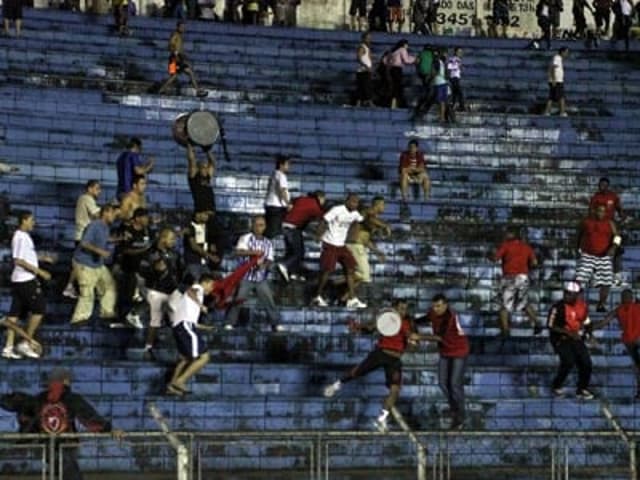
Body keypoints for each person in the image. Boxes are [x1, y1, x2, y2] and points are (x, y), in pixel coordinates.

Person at [323, 299, 433, 432]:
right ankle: (337, 385)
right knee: (357, 372)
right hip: (380, 353)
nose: (402, 312)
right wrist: (358, 327)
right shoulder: (386, 318)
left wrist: (413, 344)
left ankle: (381, 419)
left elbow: (414, 343)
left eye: (405, 309)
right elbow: (371, 328)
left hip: (395, 359)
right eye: (400, 308)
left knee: (395, 390)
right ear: (394, 308)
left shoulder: (409, 323)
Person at [0, 368, 124, 480]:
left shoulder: (40, 399)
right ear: (66, 381)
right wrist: (110, 429)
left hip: (48, 445)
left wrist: (25, 434)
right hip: (66, 444)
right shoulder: (71, 399)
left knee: (60, 472)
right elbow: (90, 417)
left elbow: (26, 415)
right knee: (70, 474)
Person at [2, 212, 53, 359]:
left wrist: (43, 258)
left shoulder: (24, 237)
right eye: (31, 220)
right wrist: (41, 272)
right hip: (25, 280)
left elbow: (27, 256)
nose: (33, 223)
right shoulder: (19, 237)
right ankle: (26, 342)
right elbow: (18, 260)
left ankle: (8, 347)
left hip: (20, 280)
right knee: (39, 309)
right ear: (23, 221)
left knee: (14, 315)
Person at [419, 293, 469, 430]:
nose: (436, 309)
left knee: (454, 384)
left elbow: (440, 337)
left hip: (459, 351)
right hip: (445, 352)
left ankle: (461, 416)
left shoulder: (450, 317)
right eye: (434, 306)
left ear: (446, 305)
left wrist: (419, 336)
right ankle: (456, 410)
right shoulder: (433, 313)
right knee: (442, 383)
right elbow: (424, 319)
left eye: (439, 306)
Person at [225, 216, 280, 331]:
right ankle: (230, 322)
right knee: (238, 299)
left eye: (261, 225)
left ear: (264, 227)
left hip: (261, 277)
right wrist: (253, 253)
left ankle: (275, 323)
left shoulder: (268, 243)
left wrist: (263, 266)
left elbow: (269, 259)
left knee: (269, 300)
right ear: (252, 226)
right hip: (245, 276)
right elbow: (238, 252)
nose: (258, 228)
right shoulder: (245, 238)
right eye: (256, 225)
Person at [312, 193, 367, 309]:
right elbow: (324, 221)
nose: (354, 204)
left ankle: (352, 298)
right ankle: (317, 296)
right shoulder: (337, 210)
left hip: (341, 245)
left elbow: (361, 220)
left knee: (350, 268)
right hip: (330, 243)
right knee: (327, 271)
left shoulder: (355, 213)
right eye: (352, 201)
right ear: (346, 201)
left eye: (356, 202)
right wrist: (318, 235)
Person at [167, 274, 215, 395]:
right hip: (185, 326)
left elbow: (192, 321)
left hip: (180, 326)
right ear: (205, 282)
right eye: (212, 285)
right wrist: (201, 305)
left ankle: (171, 386)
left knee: (185, 358)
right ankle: (180, 381)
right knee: (204, 357)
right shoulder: (198, 288)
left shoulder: (191, 301)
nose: (212, 289)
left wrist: (206, 327)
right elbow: (190, 290)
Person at [71, 205, 118, 326]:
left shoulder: (105, 227)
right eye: (113, 214)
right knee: (87, 291)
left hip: (97, 264)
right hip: (84, 262)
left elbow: (105, 239)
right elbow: (84, 243)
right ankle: (79, 318)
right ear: (106, 212)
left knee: (109, 285)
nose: (115, 217)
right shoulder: (95, 225)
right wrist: (100, 252)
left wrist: (119, 239)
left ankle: (106, 311)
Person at [140, 227, 183, 359]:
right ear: (162, 238)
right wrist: (155, 269)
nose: (174, 242)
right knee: (155, 320)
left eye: (174, 239)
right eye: (171, 239)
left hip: (172, 291)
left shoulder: (175, 254)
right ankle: (148, 348)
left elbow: (181, 271)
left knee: (179, 321)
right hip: (156, 290)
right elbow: (143, 271)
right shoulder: (150, 253)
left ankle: (182, 351)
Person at [547, 281, 595, 399]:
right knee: (568, 361)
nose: (566, 296)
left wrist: (590, 335)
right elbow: (550, 325)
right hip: (561, 339)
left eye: (570, 294)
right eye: (566, 293)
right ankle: (556, 386)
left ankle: (582, 389)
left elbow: (587, 322)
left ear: (576, 295)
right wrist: (568, 333)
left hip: (576, 338)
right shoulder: (557, 307)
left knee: (586, 363)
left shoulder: (582, 306)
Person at [492, 228, 540, 336]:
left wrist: (491, 255)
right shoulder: (526, 247)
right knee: (523, 303)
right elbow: (535, 262)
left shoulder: (506, 245)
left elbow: (495, 258)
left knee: (503, 305)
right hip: (523, 277)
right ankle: (537, 323)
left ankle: (505, 330)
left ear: (511, 234)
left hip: (510, 276)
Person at [593, 289, 640, 398]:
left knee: (638, 366)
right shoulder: (620, 310)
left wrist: (591, 327)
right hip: (631, 341)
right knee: (638, 366)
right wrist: (590, 327)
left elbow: (603, 323)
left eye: (627, 296)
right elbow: (603, 322)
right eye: (625, 296)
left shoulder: (623, 309)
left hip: (632, 341)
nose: (626, 298)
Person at [63, 180, 102, 299]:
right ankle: (73, 287)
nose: (99, 192)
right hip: (84, 238)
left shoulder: (85, 199)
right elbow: (97, 215)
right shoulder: (86, 198)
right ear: (90, 189)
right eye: (97, 189)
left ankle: (73, 287)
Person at [277, 191, 326, 283]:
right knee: (299, 253)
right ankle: (285, 265)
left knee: (291, 252)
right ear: (320, 197)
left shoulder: (302, 199)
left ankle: (292, 273)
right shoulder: (315, 207)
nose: (324, 202)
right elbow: (324, 219)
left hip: (285, 225)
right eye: (324, 199)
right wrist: (318, 234)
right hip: (293, 228)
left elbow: (292, 203)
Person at [576, 205, 618, 312]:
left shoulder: (610, 223)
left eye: (603, 211)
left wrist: (613, 247)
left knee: (607, 282)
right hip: (587, 254)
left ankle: (601, 304)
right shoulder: (586, 222)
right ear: (594, 211)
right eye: (599, 211)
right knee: (579, 279)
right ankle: (576, 303)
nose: (600, 213)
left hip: (604, 256)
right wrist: (577, 249)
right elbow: (579, 235)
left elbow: (617, 237)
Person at [115, 207, 152, 329]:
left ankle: (132, 316)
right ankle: (122, 319)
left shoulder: (147, 231)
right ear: (137, 218)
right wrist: (142, 250)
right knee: (125, 296)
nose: (147, 219)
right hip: (128, 270)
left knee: (148, 297)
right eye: (145, 217)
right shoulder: (128, 231)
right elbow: (124, 250)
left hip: (142, 272)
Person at [345, 197, 387, 293]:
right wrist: (385, 226)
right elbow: (369, 217)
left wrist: (378, 252)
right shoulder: (367, 211)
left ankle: (345, 298)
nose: (385, 207)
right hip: (354, 245)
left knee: (363, 277)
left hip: (356, 245)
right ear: (378, 204)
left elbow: (365, 240)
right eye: (384, 205)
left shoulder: (371, 217)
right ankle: (333, 284)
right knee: (364, 275)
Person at [590, 177, 626, 284]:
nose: (602, 187)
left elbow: (619, 208)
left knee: (617, 248)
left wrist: (622, 214)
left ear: (607, 186)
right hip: (599, 227)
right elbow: (591, 211)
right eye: (600, 185)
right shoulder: (595, 197)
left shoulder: (613, 196)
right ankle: (596, 276)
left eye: (604, 185)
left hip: (611, 225)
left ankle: (617, 275)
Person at [158, 21, 207, 97]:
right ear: (178, 27)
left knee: (190, 72)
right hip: (174, 59)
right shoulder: (175, 35)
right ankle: (161, 89)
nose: (183, 28)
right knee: (174, 76)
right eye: (181, 27)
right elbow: (170, 45)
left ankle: (198, 91)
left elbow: (179, 49)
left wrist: (184, 57)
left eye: (184, 27)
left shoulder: (180, 36)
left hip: (179, 58)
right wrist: (176, 54)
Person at [264, 156, 291, 239]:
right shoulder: (281, 175)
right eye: (287, 164)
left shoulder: (273, 174)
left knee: (268, 229)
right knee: (274, 230)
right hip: (276, 206)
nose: (289, 167)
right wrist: (288, 204)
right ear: (281, 165)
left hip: (269, 205)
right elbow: (282, 190)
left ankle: (264, 245)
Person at [384, 40, 416, 109]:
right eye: (407, 45)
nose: (407, 46)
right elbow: (406, 60)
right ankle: (396, 104)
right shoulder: (402, 49)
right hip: (397, 69)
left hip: (392, 69)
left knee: (394, 86)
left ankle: (391, 103)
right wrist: (414, 59)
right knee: (397, 87)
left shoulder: (394, 51)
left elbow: (385, 60)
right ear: (404, 45)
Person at [187, 142, 216, 216]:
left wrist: (207, 149)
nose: (206, 169)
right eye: (203, 167)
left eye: (206, 167)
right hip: (200, 214)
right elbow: (191, 160)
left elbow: (212, 163)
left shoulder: (207, 177)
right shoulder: (194, 177)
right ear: (199, 169)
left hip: (211, 214)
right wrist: (189, 144)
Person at [543, 47, 569, 116]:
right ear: (562, 52)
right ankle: (562, 112)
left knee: (552, 97)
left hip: (557, 80)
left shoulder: (559, 59)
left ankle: (547, 111)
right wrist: (554, 79)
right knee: (561, 97)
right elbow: (552, 68)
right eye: (566, 52)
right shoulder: (557, 58)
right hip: (557, 81)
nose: (567, 54)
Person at [355, 32, 374, 107]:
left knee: (366, 87)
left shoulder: (367, 48)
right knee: (365, 87)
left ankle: (362, 103)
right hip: (363, 70)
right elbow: (358, 58)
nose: (369, 40)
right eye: (368, 38)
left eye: (370, 38)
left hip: (367, 70)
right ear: (363, 39)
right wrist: (366, 66)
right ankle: (368, 102)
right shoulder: (362, 47)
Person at [447, 47, 466, 112]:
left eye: (461, 52)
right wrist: (458, 66)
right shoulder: (453, 59)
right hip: (454, 78)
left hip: (456, 78)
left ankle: (453, 106)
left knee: (455, 93)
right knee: (460, 93)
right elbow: (449, 67)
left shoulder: (458, 59)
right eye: (459, 52)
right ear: (455, 52)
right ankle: (462, 106)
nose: (460, 53)